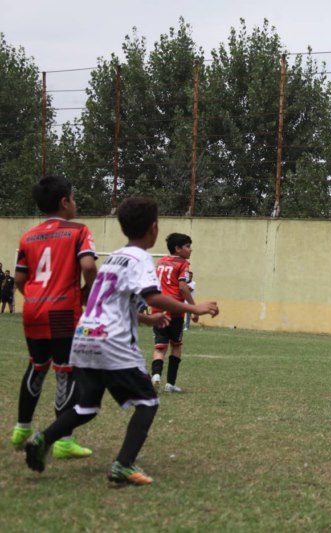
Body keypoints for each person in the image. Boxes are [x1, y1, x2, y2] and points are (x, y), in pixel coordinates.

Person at [24, 197, 219, 485]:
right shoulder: (141, 259)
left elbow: (106, 300)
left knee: (87, 406)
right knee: (148, 402)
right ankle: (123, 465)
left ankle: (42, 439)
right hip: (111, 341)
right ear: (153, 228)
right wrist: (194, 308)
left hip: (85, 337)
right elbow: (153, 296)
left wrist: (148, 320)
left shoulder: (114, 258)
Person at [10, 175, 97, 458]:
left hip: (33, 309)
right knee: (65, 372)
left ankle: (22, 428)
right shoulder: (78, 231)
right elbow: (88, 265)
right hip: (62, 311)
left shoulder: (28, 236)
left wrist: (36, 297)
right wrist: (88, 291)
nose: (75, 202)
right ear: (64, 202)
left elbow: (19, 279)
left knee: (37, 366)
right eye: (73, 197)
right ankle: (64, 441)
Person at [150, 233, 196, 392]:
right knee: (176, 345)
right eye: (187, 246)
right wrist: (194, 308)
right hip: (175, 309)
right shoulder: (183, 263)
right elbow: (182, 287)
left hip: (158, 308)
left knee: (160, 347)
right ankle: (170, 384)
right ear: (177, 248)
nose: (190, 249)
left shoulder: (161, 261)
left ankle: (156, 376)